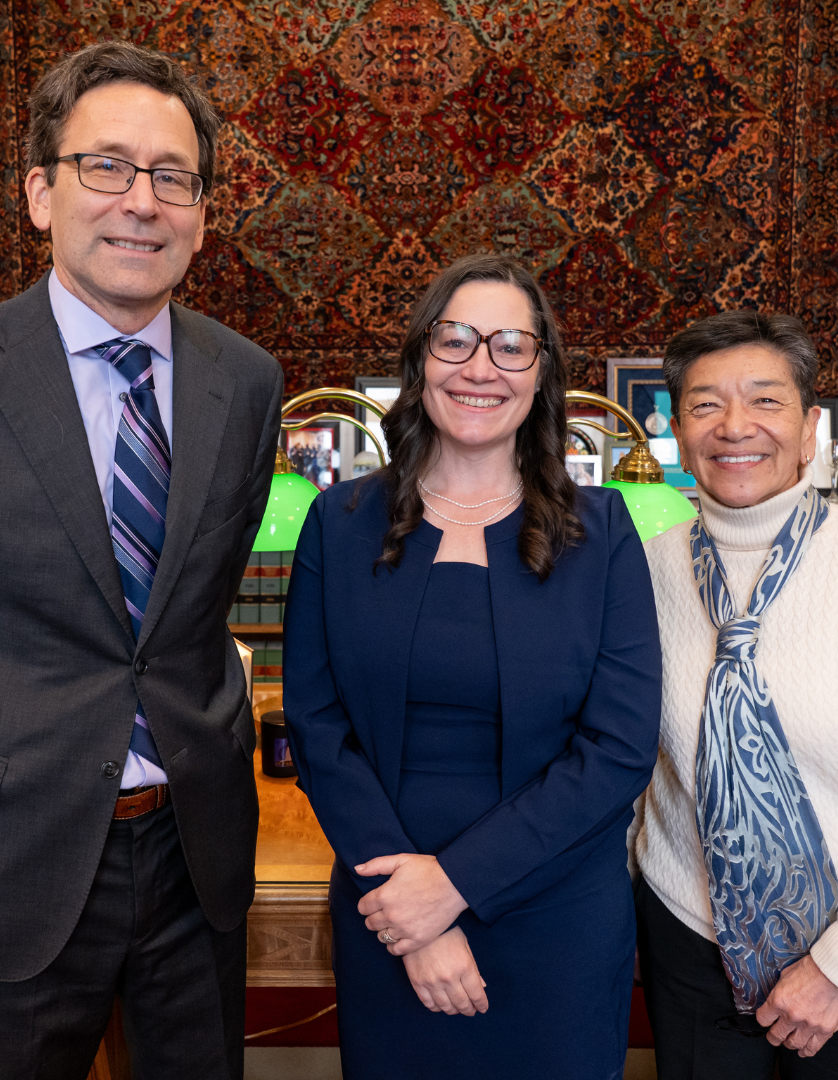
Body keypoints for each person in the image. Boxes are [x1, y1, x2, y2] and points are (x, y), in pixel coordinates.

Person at [282, 253, 662, 1079]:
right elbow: (317, 728)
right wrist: (412, 911)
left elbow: (620, 747)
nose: (479, 367)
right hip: (385, 900)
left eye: (509, 346)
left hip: (556, 912)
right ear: (420, 361)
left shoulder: (604, 533)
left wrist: (452, 887)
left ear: (541, 373)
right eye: (454, 340)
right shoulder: (337, 523)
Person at [0, 42, 283, 1078]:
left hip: (191, 856)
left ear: (203, 213)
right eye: (106, 167)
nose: (142, 202)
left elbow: (194, 609)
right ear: (42, 192)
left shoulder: (247, 382)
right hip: (18, 856)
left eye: (174, 177)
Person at [631, 311, 838, 1079]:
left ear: (811, 427)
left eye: (766, 401)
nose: (735, 427)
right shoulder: (642, 572)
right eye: (706, 404)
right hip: (688, 942)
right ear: (678, 433)